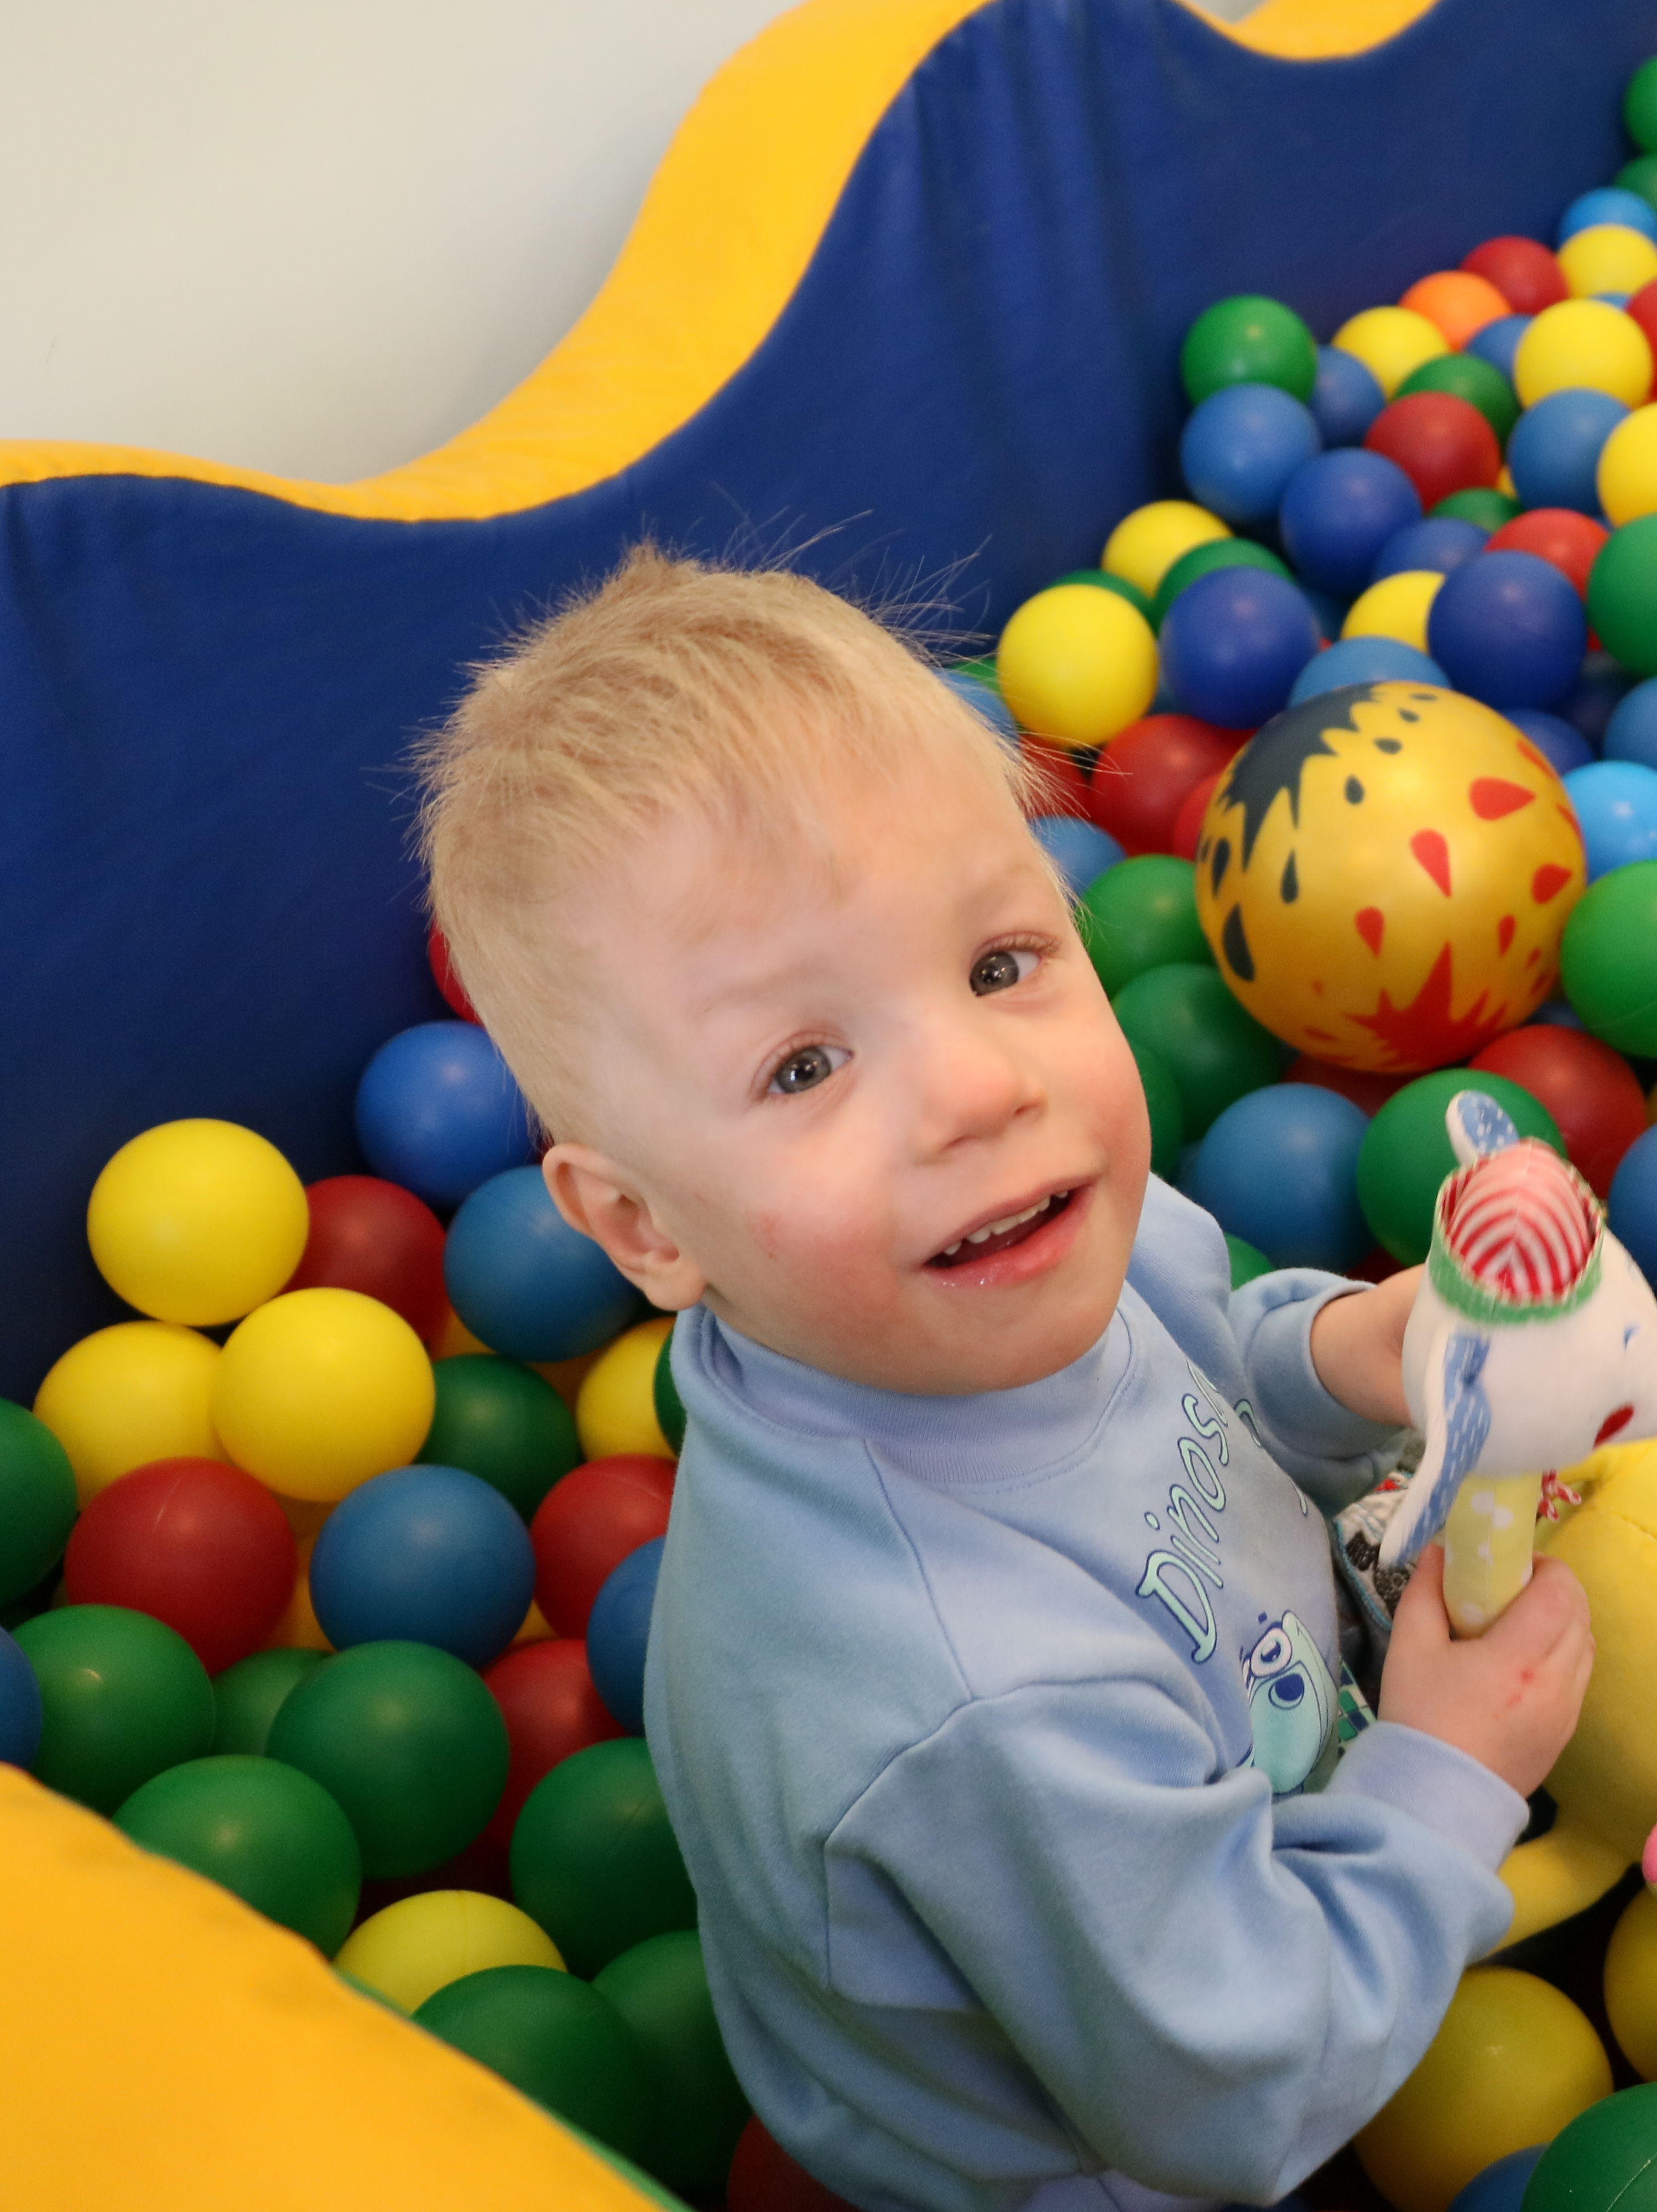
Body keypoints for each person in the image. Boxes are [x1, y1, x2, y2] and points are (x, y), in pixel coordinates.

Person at [415, 549, 1596, 2211]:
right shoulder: (972, 1693)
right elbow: (1235, 2089)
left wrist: (1355, 1357)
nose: (979, 1088)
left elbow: (1204, 1362)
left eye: (999, 965)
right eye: (804, 1065)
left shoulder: (1013, 1243)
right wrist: (1446, 1774)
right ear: (644, 1226)